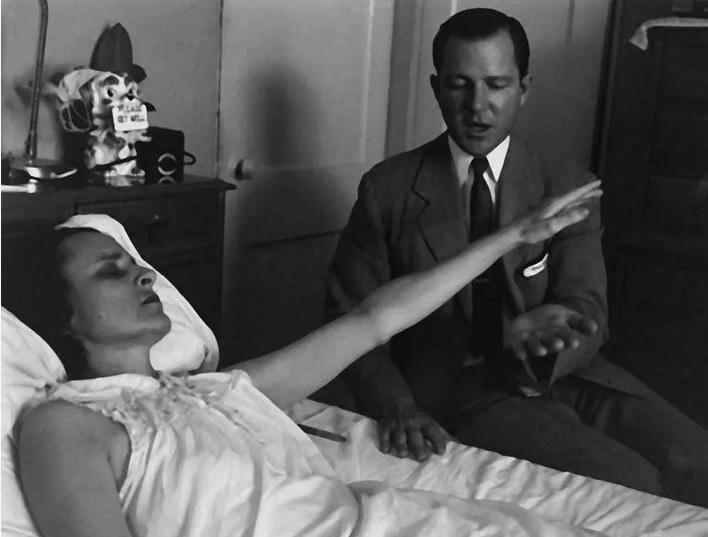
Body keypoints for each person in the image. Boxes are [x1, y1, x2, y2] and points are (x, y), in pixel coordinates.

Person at [16, 190, 600, 537]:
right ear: (62, 316)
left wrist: (513, 237)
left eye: (134, 263)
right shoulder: (67, 424)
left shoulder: (216, 391)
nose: (145, 275)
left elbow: (374, 320)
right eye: (110, 272)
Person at [324, 8, 708, 507]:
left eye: (497, 85)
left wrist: (553, 332)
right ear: (437, 88)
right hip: (459, 389)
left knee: (697, 461)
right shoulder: (388, 190)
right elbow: (346, 319)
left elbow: (588, 308)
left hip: (567, 375)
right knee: (634, 486)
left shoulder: (567, 185)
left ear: (524, 88)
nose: (477, 106)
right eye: (459, 85)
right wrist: (396, 404)